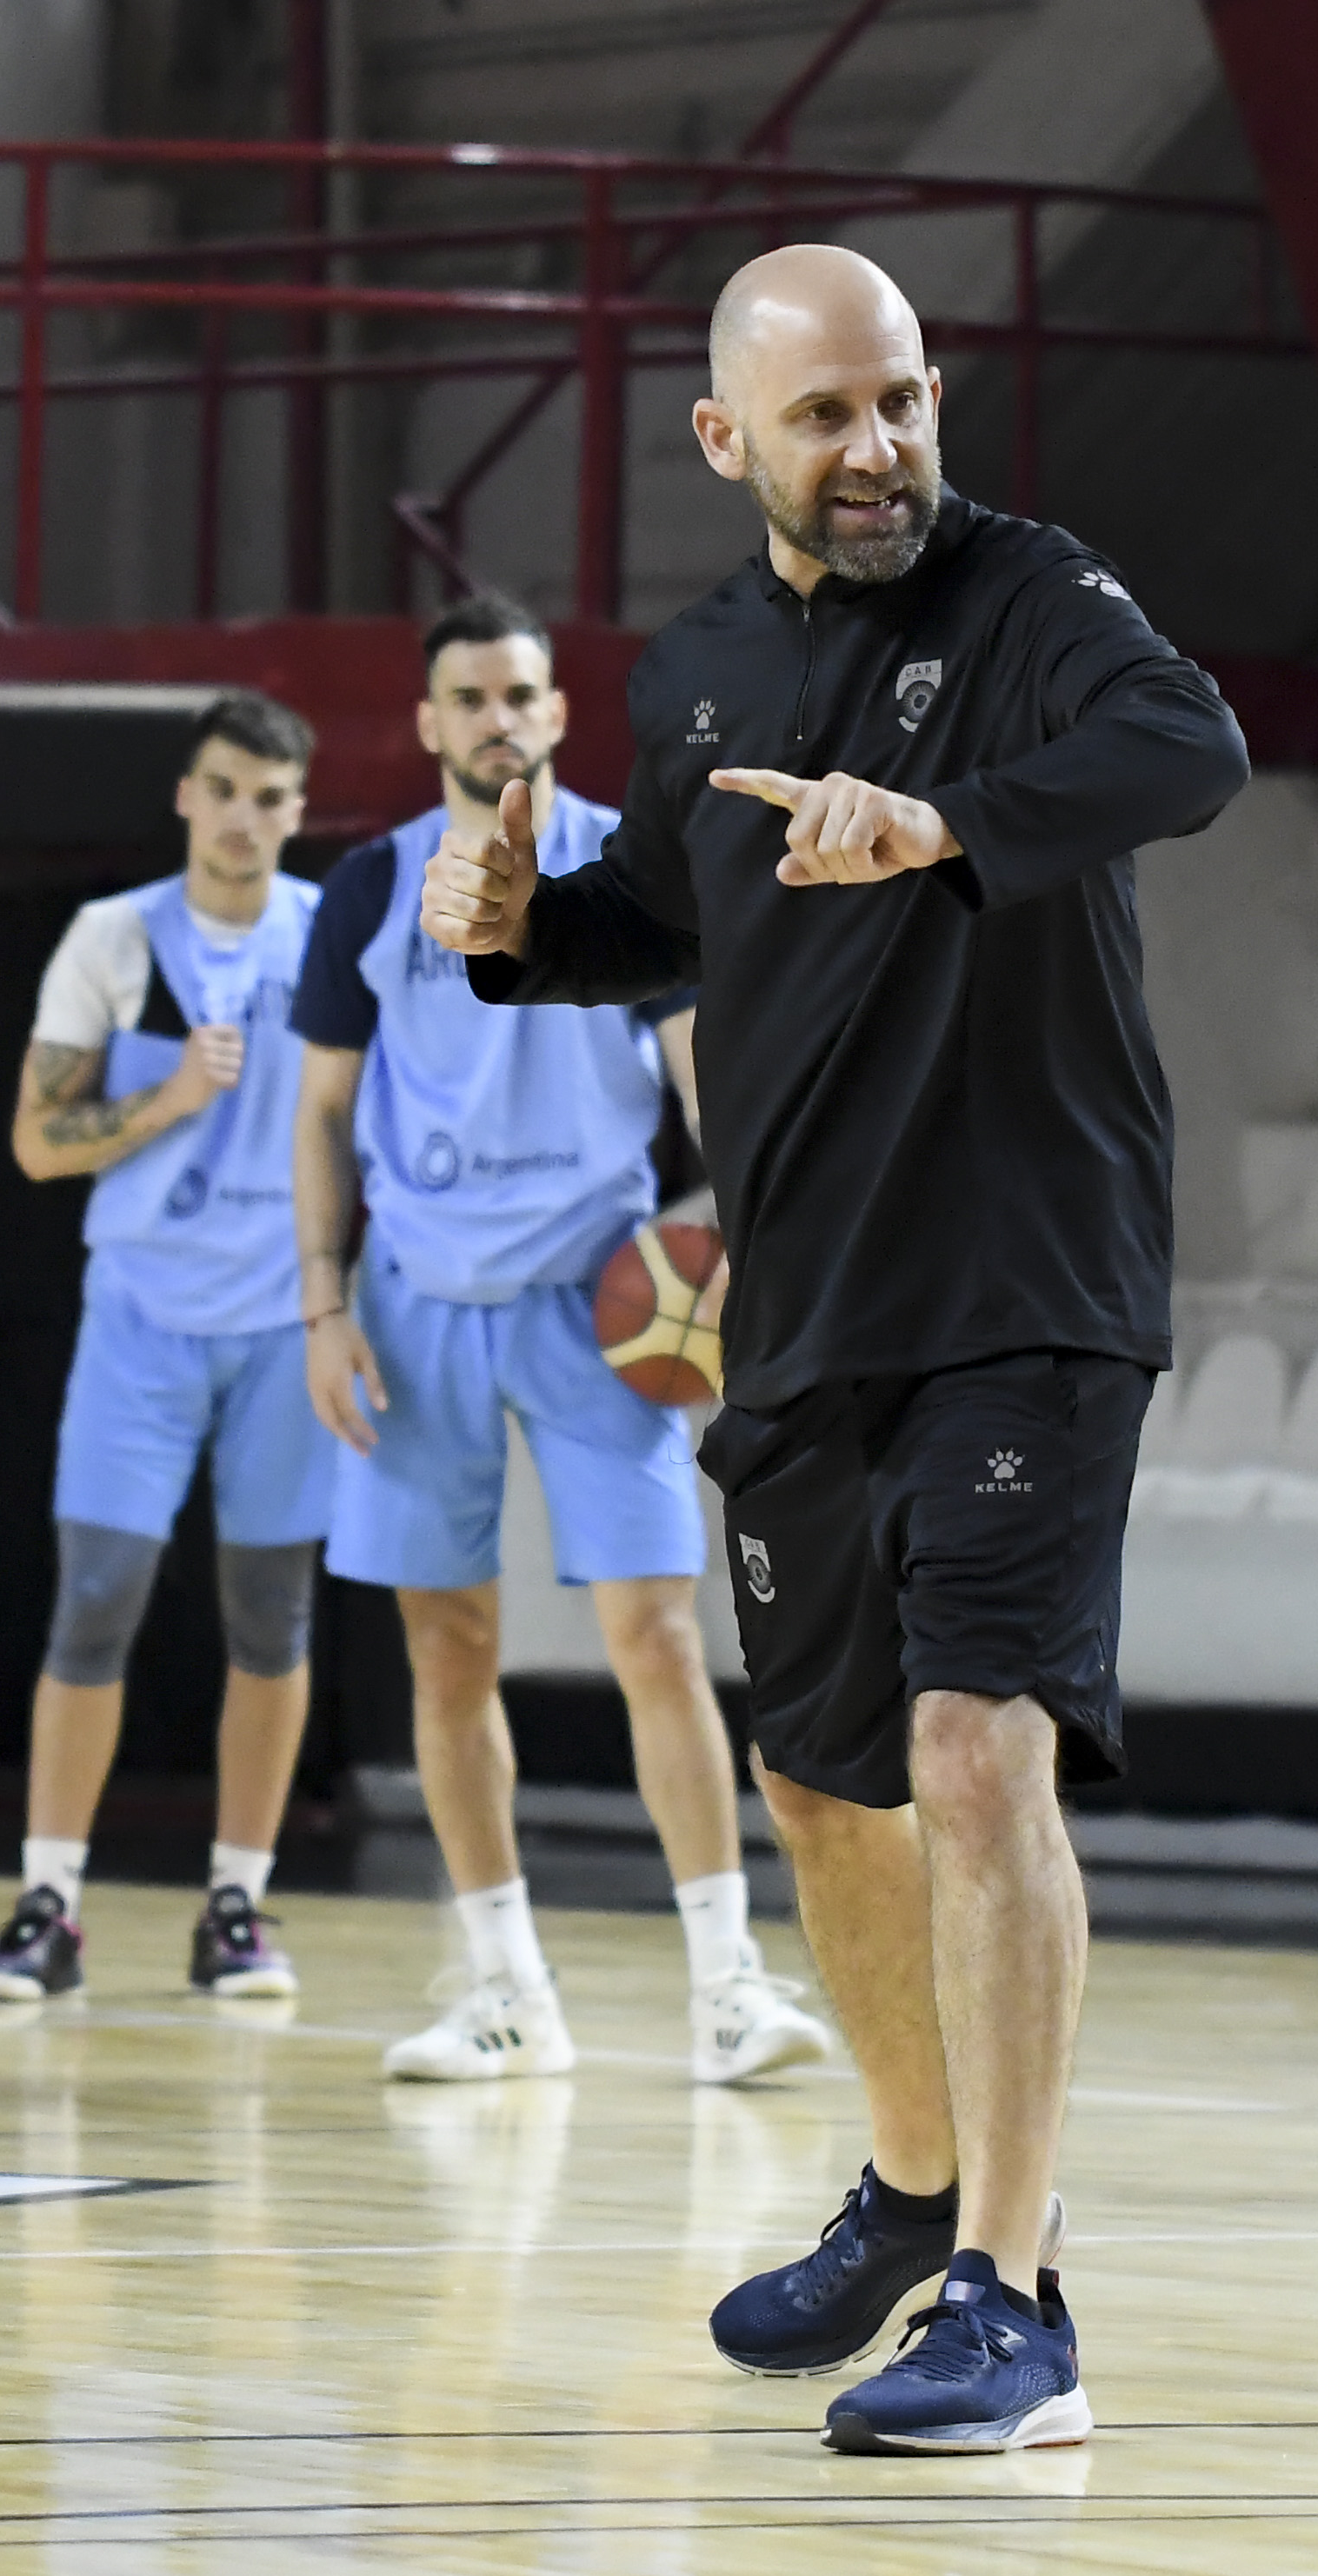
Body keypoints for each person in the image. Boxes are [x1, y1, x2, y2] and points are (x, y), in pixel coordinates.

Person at [421, 245, 1248, 2454]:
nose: (875, 447)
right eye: (822, 416)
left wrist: (953, 820)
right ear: (727, 442)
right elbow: (684, 928)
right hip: (803, 1306)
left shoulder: (1032, 600)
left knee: (979, 1754)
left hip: (1028, 1283)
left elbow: (1193, 746)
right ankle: (907, 2189)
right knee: (818, 1773)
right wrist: (528, 939)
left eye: (898, 400)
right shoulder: (695, 674)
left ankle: (1016, 2291)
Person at [291, 593, 832, 2089]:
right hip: (414, 1302)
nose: (497, 718)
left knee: (658, 1635)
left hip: (611, 1295)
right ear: (429, 724)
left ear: (556, 710)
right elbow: (322, 1113)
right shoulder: (365, 890)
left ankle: (728, 1984)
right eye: (468, 697)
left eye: (519, 692)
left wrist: (755, 1250)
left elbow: (699, 1069)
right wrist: (323, 1308)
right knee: (446, 1647)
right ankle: (505, 1989)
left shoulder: (621, 864)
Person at [0, 692, 335, 2004]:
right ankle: (47, 1905)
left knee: (270, 1618)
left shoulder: (331, 935)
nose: (245, 816)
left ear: (299, 811)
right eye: (224, 787)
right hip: (142, 1320)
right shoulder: (113, 938)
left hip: (288, 1322)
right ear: (187, 793)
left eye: (272, 796)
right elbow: (32, 1140)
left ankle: (238, 1903)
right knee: (97, 1599)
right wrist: (169, 1097)